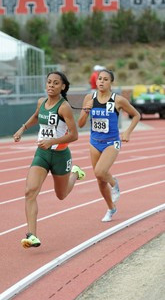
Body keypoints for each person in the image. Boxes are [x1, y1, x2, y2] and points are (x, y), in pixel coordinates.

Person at [13, 71, 86, 248]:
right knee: (30, 191)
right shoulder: (42, 102)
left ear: (63, 87)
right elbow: (37, 116)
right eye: (49, 82)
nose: (51, 86)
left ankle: (75, 173)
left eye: (55, 83)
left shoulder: (64, 107)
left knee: (61, 195)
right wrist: (22, 128)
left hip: (60, 155)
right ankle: (32, 235)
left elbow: (74, 135)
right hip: (42, 154)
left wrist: (52, 141)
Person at [78, 69, 140, 222]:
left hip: (112, 142)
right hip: (94, 142)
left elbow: (136, 115)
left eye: (105, 79)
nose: (101, 82)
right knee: (99, 180)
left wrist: (127, 132)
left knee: (100, 172)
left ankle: (114, 183)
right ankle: (111, 208)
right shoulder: (89, 98)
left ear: (111, 82)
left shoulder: (117, 100)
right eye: (99, 79)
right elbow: (80, 124)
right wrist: (86, 110)